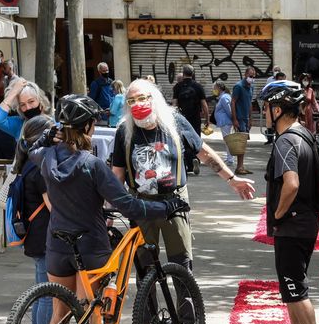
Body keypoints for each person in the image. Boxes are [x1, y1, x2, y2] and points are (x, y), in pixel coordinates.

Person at [34, 93, 183, 324]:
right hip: (90, 244)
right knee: (89, 310)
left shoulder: (47, 157)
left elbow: (29, 149)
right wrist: (165, 208)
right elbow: (128, 205)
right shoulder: (92, 165)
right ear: (89, 127)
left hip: (57, 244)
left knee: (60, 311)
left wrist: (49, 136)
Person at [110, 79, 256, 273]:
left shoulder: (174, 122)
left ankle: (186, 302)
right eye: (132, 101)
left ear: (154, 99)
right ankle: (148, 303)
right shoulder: (124, 130)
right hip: (140, 205)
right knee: (145, 266)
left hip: (174, 203)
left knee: (182, 266)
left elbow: (203, 153)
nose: (137, 104)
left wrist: (231, 179)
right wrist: (110, 210)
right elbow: (117, 174)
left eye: (142, 98)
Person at [260, 79, 319, 324]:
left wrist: (277, 213)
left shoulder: (286, 140)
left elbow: (291, 184)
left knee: (295, 287)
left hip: (293, 225)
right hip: (304, 223)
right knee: (290, 287)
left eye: (266, 108)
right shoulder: (303, 134)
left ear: (278, 109)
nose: (264, 113)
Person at [12, 114, 55, 324]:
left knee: (41, 293)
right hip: (44, 236)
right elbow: (52, 206)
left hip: (34, 236)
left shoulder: (27, 163)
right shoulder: (39, 168)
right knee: (47, 295)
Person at [0, 79, 49, 159]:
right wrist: (13, 92)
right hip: (25, 170)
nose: (28, 108)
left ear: (40, 101)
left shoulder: (52, 124)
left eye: (31, 101)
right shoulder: (19, 124)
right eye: (22, 105)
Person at [171, 66, 209, 175]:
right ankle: (195, 158)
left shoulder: (178, 87)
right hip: (195, 118)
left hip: (182, 119)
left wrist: (173, 118)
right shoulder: (198, 87)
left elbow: (174, 104)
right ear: (193, 73)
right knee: (196, 139)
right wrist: (207, 119)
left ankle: (189, 164)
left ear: (183, 74)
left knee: (183, 140)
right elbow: (204, 105)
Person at [211, 80, 236, 170]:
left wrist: (233, 120)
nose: (213, 90)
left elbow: (229, 110)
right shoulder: (223, 97)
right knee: (227, 141)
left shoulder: (224, 97)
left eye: (214, 88)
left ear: (219, 88)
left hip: (226, 123)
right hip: (224, 123)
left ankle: (230, 159)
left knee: (228, 141)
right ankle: (229, 158)